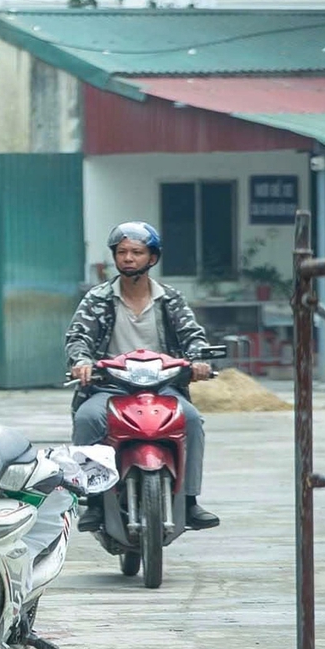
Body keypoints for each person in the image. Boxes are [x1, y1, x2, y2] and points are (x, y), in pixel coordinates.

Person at [65, 221, 219, 529]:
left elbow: (192, 335)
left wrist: (198, 359)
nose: (128, 258)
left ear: (153, 258)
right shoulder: (98, 298)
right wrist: (81, 361)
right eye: (121, 252)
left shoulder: (170, 299)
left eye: (137, 252)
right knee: (87, 419)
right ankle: (93, 501)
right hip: (108, 387)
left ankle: (189, 501)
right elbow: (78, 337)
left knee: (191, 420)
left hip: (163, 387)